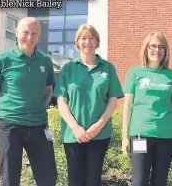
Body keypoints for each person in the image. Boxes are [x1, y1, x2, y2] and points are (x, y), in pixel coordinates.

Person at [0, 17, 57, 186]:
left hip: (39, 125)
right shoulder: (2, 60)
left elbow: (49, 89)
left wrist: (41, 107)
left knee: (48, 176)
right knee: (9, 178)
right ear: (16, 32)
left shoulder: (45, 60)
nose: (29, 37)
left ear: (39, 35)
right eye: (25, 32)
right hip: (10, 126)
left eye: (34, 33)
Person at [53, 24, 124, 186]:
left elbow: (113, 99)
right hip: (73, 134)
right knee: (75, 179)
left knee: (93, 179)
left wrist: (98, 126)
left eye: (92, 38)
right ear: (77, 42)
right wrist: (76, 127)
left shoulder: (107, 68)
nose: (88, 42)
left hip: (100, 134)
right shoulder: (68, 69)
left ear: (97, 42)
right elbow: (61, 101)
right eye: (83, 38)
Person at [122, 32, 172, 186]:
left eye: (161, 46)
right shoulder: (134, 73)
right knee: (139, 181)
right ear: (146, 49)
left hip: (167, 136)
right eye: (153, 46)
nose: (157, 50)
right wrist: (125, 137)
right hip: (140, 134)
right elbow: (127, 106)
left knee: (160, 181)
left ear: (166, 51)